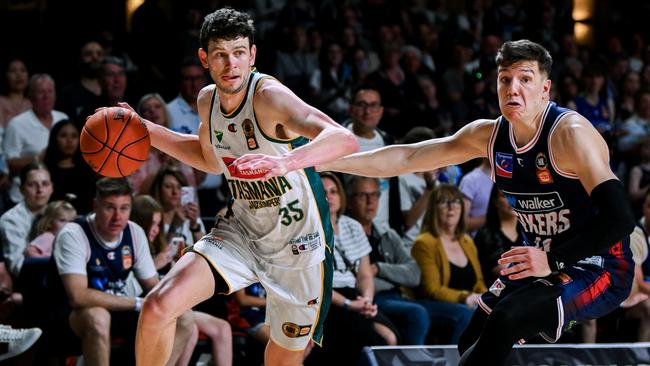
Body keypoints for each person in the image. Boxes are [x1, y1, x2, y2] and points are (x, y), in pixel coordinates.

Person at [318, 39, 636, 365]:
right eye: (505, 79)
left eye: (525, 79)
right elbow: (408, 156)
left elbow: (621, 219)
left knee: (506, 320)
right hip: (540, 262)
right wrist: (324, 162)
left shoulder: (569, 134)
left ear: (545, 88)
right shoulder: (488, 136)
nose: (513, 88)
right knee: (471, 339)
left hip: (600, 267)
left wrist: (553, 260)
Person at [122, 8, 358, 366]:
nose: (231, 64)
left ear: (252, 54)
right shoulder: (207, 101)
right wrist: (148, 131)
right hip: (242, 233)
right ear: (205, 58)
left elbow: (343, 139)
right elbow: (208, 158)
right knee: (157, 306)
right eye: (220, 54)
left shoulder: (270, 96)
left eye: (238, 53)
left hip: (299, 247)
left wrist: (283, 162)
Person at [51, 178, 194, 365]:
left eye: (124, 208)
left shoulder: (134, 232)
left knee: (184, 316)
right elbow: (78, 296)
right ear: (96, 205)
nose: (118, 216)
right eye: (110, 208)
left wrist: (176, 297)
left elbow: (152, 284)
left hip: (120, 308)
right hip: (71, 315)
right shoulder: (73, 234)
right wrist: (137, 303)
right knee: (98, 317)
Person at [130, 195, 232, 366]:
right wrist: (157, 263)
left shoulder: (160, 245)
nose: (155, 229)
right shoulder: (135, 244)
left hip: (174, 305)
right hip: (147, 306)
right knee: (189, 329)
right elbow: (132, 285)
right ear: (141, 222)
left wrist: (174, 263)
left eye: (158, 224)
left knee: (222, 328)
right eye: (152, 223)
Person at [346, 174, 430, 345]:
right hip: (372, 301)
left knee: (463, 314)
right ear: (349, 201)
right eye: (363, 195)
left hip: (400, 297)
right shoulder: (345, 237)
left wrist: (378, 269)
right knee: (417, 313)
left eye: (375, 194)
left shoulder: (387, 235)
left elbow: (414, 275)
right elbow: (353, 282)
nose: (371, 201)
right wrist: (394, 276)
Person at [411, 184, 487, 344]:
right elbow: (432, 290)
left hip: (467, 303)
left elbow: (478, 282)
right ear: (434, 208)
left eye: (456, 202)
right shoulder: (424, 243)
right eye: (444, 201)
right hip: (431, 305)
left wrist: (486, 299)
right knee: (467, 315)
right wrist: (465, 298)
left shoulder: (467, 241)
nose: (451, 207)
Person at [0, 162, 52, 277]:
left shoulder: (59, 214)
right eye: (32, 185)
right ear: (21, 189)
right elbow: (17, 267)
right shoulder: (10, 220)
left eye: (45, 184)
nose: (40, 190)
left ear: (52, 188)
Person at [42, 119, 97, 214]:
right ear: (54, 139)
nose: (69, 141)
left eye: (74, 136)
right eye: (63, 136)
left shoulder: (88, 171)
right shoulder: (44, 172)